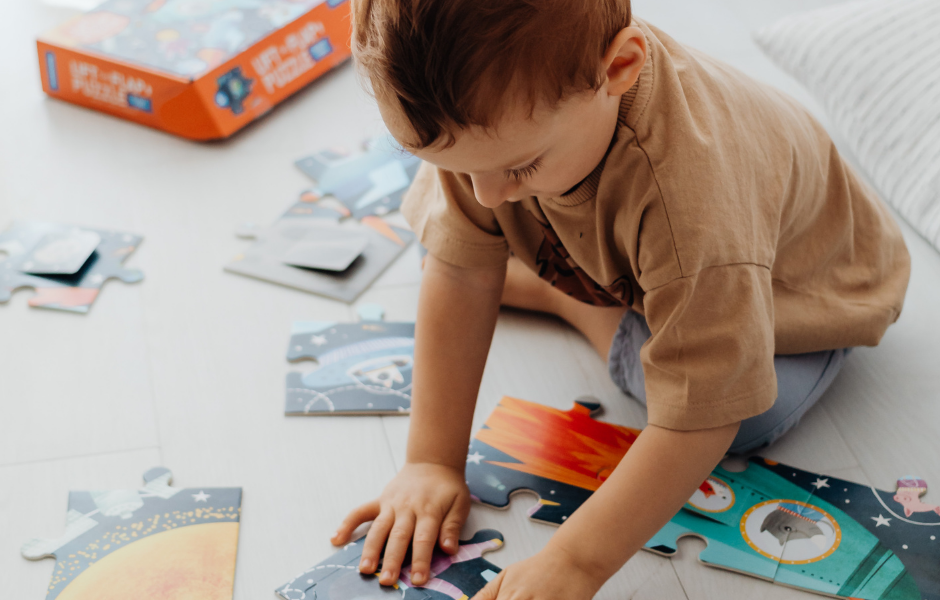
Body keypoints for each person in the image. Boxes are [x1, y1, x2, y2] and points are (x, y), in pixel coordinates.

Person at [332, 1, 911, 599]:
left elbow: (705, 411)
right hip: (672, 267)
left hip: (799, 291)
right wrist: (431, 461)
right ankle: (568, 279)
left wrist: (575, 562)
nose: (486, 194)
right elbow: (456, 273)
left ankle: (573, 300)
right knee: (458, 248)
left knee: (743, 413)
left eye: (521, 165)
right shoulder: (491, 123)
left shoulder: (693, 203)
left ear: (620, 68)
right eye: (447, 166)